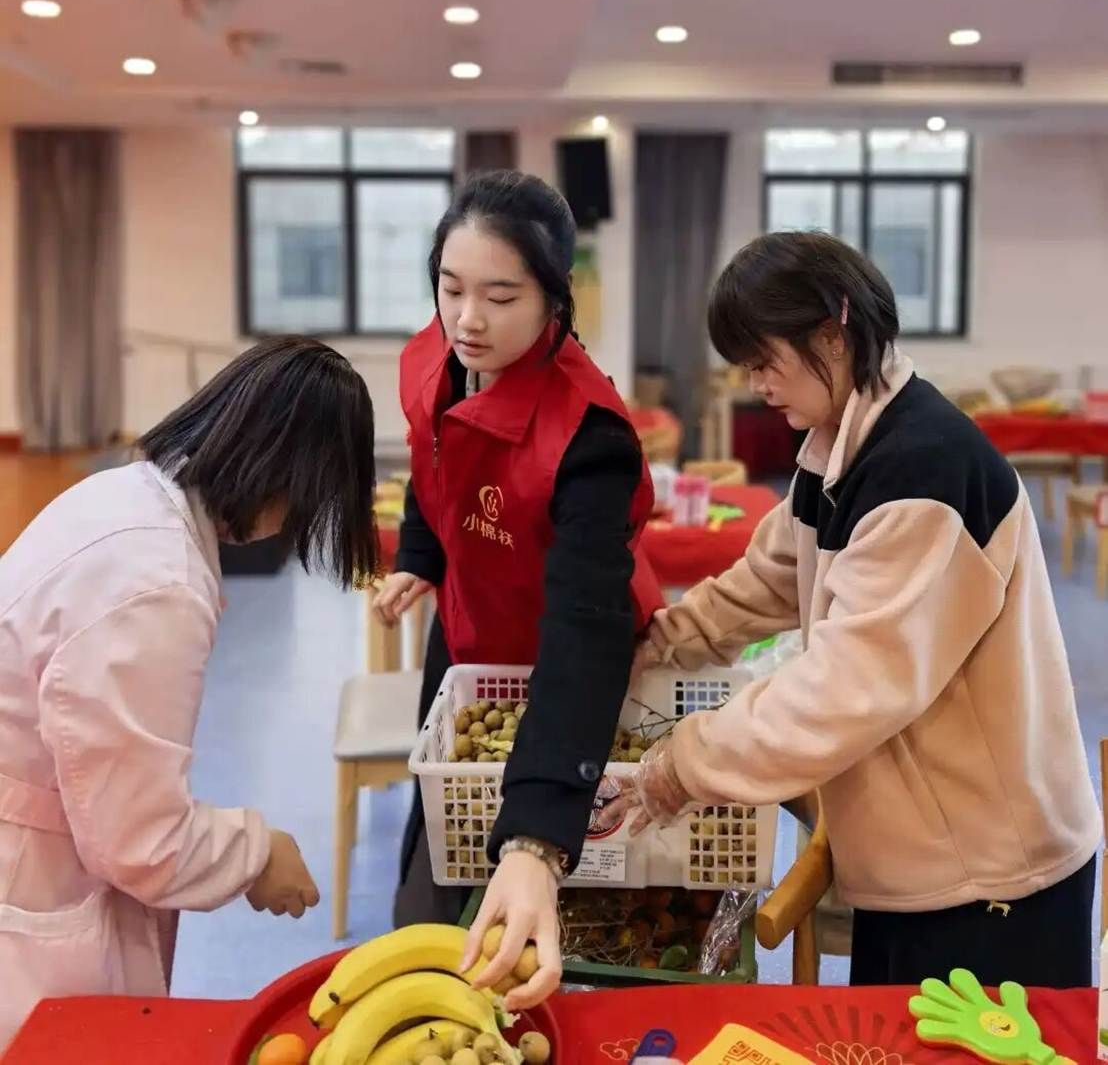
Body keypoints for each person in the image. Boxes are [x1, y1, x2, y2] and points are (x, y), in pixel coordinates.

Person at [623, 231, 1100, 988]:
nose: (755, 384)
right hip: (916, 853)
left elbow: (846, 687)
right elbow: (769, 579)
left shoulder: (924, 471)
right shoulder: (838, 450)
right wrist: (661, 639)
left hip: (989, 876)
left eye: (764, 361)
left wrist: (684, 762)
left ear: (831, 335)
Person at [0, 337, 379, 1051]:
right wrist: (256, 854)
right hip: (28, 871)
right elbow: (136, 836)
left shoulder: (127, 497)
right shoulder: (155, 582)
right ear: (286, 476)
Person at [373, 170, 663, 1009]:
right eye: (451, 287)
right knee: (437, 854)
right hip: (467, 642)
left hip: (572, 664)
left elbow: (584, 625)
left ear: (553, 298)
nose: (468, 317)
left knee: (566, 899)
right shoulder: (435, 358)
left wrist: (536, 833)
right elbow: (433, 461)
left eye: (501, 296)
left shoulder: (589, 435)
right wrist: (422, 553)